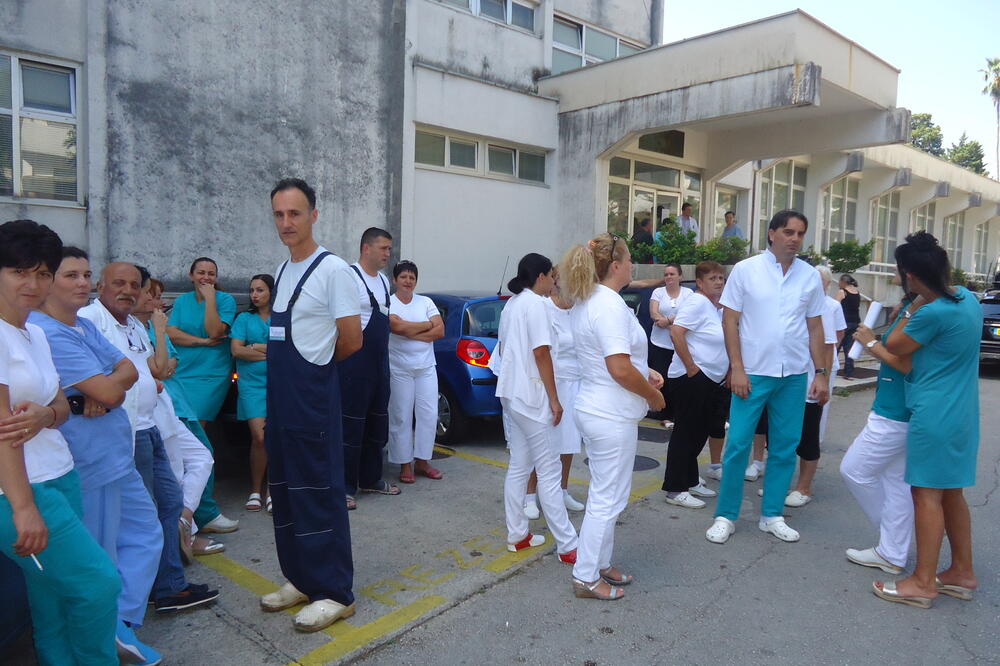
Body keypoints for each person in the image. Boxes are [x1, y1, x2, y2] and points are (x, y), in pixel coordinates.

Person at [31, 247, 166, 664]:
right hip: (86, 462)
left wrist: (103, 389)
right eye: (71, 275)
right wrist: (102, 390)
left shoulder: (80, 328)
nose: (82, 283)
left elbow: (127, 369)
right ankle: (102, 635)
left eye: (86, 274)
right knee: (98, 559)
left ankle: (119, 622)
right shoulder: (46, 330)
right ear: (48, 280)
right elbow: (113, 386)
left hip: (114, 455)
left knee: (147, 534)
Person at [0, 219, 121, 665]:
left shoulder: (33, 333)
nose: (33, 283)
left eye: (42, 272)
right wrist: (23, 507)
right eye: (19, 272)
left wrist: (45, 415)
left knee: (49, 600)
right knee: (99, 584)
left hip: (60, 475)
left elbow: (61, 408)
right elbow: (3, 435)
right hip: (20, 490)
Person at [80, 262, 219, 614]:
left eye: (133, 285)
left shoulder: (132, 325)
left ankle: (168, 587)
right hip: (124, 432)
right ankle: (133, 602)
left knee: (169, 505)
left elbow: (156, 369)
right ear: (100, 285)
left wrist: (156, 335)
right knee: (137, 518)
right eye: (118, 283)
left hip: (149, 426)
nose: (127, 290)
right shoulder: (90, 319)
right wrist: (92, 392)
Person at [259, 178, 362, 632]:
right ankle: (301, 579)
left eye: (295, 213)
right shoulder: (282, 271)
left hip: (312, 399)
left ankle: (335, 592)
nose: (286, 223)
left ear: (314, 215)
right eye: (279, 214)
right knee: (285, 492)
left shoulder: (334, 270)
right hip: (282, 401)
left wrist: (316, 369)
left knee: (319, 494)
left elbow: (352, 339)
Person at [705, 210, 830, 545]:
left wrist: (820, 373)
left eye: (800, 233)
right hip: (753, 373)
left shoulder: (809, 276)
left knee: (785, 447)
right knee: (739, 445)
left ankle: (771, 514)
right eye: (789, 232)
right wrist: (737, 367)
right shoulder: (747, 270)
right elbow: (729, 321)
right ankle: (726, 515)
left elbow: (815, 326)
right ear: (772, 233)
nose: (795, 239)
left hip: (793, 374)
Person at [874, 231, 981, 609]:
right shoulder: (968, 299)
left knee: (926, 496)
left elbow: (893, 343)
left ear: (910, 275)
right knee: (951, 492)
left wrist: (915, 300)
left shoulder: (931, 312)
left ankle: (923, 582)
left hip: (934, 415)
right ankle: (962, 572)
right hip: (963, 413)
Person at [561, 235, 665, 600]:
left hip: (601, 408)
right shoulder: (606, 305)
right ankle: (586, 576)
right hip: (610, 413)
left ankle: (600, 563)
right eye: (630, 259)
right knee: (608, 498)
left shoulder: (594, 301)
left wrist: (646, 370)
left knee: (609, 494)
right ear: (616, 265)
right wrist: (652, 395)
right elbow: (618, 368)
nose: (633, 265)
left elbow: (619, 360)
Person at [489, 253, 579, 564]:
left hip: (513, 395)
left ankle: (518, 535)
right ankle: (569, 546)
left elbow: (505, 349)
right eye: (552, 276)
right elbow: (542, 353)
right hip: (531, 397)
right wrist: (555, 399)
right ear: (540, 276)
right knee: (549, 471)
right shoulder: (537, 305)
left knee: (520, 466)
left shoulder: (514, 303)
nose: (555, 281)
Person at [138, 275, 228, 557]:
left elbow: (167, 365)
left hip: (172, 405)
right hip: (152, 413)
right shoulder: (136, 328)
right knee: (174, 473)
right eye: (152, 296)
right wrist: (162, 335)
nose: (159, 302)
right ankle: (185, 533)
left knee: (201, 457)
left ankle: (186, 522)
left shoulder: (147, 328)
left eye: (159, 296)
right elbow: (162, 369)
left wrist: (161, 337)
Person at [840, 280, 916, 577]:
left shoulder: (921, 309)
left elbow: (908, 364)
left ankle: (893, 541)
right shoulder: (913, 306)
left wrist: (871, 342)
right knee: (896, 483)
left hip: (895, 412)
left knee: (854, 470)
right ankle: (893, 551)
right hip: (899, 407)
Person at [339, 227, 399, 509]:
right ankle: (344, 487)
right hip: (354, 362)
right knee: (350, 425)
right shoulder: (348, 276)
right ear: (366, 248)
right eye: (384, 248)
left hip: (379, 362)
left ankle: (371, 478)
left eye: (389, 248)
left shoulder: (385, 282)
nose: (388, 253)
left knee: (378, 421)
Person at [660, 261, 729, 509]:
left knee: (699, 433)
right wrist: (691, 368)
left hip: (709, 380)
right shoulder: (698, 302)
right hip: (691, 379)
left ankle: (689, 480)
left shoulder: (713, 307)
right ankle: (675, 488)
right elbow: (676, 332)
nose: (719, 282)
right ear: (699, 282)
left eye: (721, 278)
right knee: (686, 433)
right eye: (713, 278)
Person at [524, 270, 587, 517]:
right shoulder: (543, 308)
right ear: (557, 280)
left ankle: (561, 490)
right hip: (549, 383)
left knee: (569, 442)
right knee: (542, 442)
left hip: (575, 383)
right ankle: (530, 495)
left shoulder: (580, 310)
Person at [783, 264, 845, 507]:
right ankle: (783, 484)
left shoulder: (823, 310)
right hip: (786, 382)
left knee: (808, 437)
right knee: (785, 438)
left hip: (808, 382)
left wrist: (824, 380)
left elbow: (829, 346)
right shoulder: (791, 303)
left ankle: (804, 488)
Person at [387, 260, 445, 484]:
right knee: (401, 415)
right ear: (395, 280)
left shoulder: (426, 302)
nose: (408, 281)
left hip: (426, 368)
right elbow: (395, 327)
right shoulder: (389, 303)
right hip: (399, 368)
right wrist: (425, 325)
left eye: (412, 277)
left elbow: (440, 331)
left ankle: (422, 461)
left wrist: (409, 329)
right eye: (404, 277)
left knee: (429, 415)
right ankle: (404, 464)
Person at [166, 258, 237, 424]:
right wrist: (202, 341)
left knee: (196, 425)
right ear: (191, 276)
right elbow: (171, 333)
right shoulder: (182, 301)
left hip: (210, 374)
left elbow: (215, 332)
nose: (206, 277)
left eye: (211, 274)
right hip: (181, 372)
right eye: (201, 272)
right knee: (179, 425)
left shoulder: (226, 300)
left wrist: (210, 299)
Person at [231, 274, 274, 512]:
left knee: (275, 436)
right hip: (252, 385)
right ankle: (255, 489)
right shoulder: (244, 319)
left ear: (271, 293)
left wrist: (256, 346)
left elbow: (287, 350)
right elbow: (236, 351)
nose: (254, 295)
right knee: (259, 437)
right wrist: (270, 353)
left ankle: (272, 490)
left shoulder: (281, 318)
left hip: (279, 384)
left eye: (260, 290)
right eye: (252, 290)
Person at [648, 262, 693, 428]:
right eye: (666, 274)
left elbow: (687, 313)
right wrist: (671, 325)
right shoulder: (658, 292)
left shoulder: (688, 293)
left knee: (678, 379)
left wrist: (666, 321)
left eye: (672, 274)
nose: (668, 277)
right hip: (659, 344)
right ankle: (665, 415)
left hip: (679, 344)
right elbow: (654, 313)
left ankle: (679, 413)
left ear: (680, 276)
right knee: (662, 379)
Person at [835, 273, 871, 380]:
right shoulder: (857, 292)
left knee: (835, 347)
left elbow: (835, 306)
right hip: (854, 323)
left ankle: (829, 369)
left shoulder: (842, 292)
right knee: (849, 349)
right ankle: (849, 373)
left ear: (843, 282)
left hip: (843, 322)